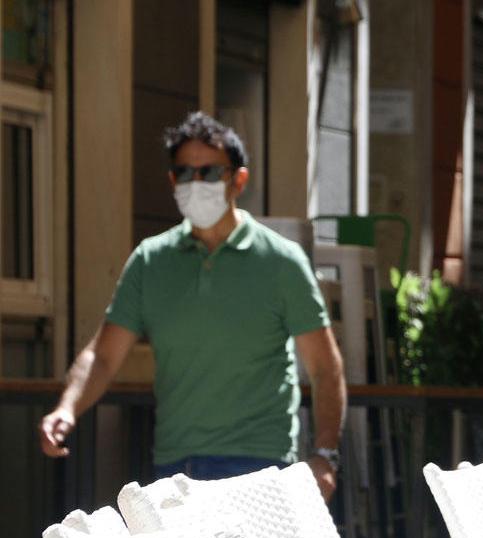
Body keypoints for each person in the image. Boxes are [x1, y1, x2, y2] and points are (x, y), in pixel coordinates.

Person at [39, 112, 346, 500]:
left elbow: (324, 366)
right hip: (176, 469)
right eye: (184, 173)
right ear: (172, 181)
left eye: (209, 172)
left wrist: (325, 455)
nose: (195, 184)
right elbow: (102, 356)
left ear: (239, 180)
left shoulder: (281, 262)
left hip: (260, 468)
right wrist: (67, 409)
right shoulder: (151, 261)